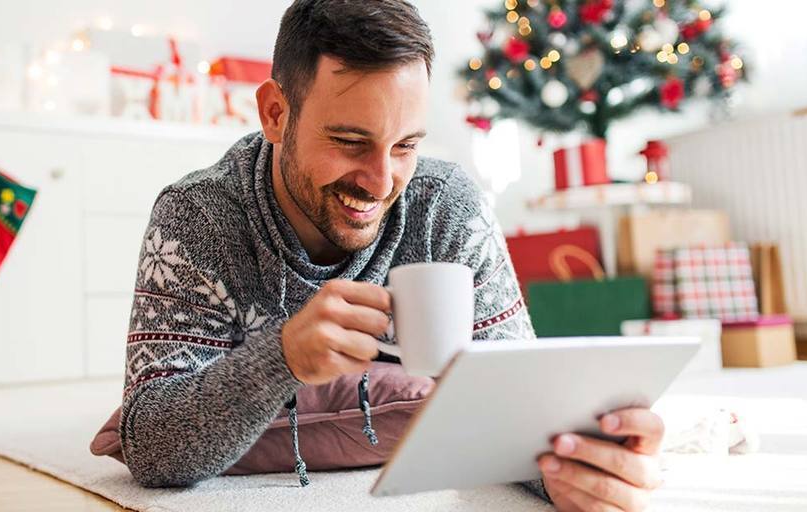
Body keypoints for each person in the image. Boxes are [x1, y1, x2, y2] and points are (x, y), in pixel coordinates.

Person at [119, 1, 664, 510]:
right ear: (276, 114)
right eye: (351, 142)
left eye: (406, 145)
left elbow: (516, 399)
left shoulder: (444, 207)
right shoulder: (201, 215)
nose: (382, 182)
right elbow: (148, 446)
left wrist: (571, 472)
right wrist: (281, 359)